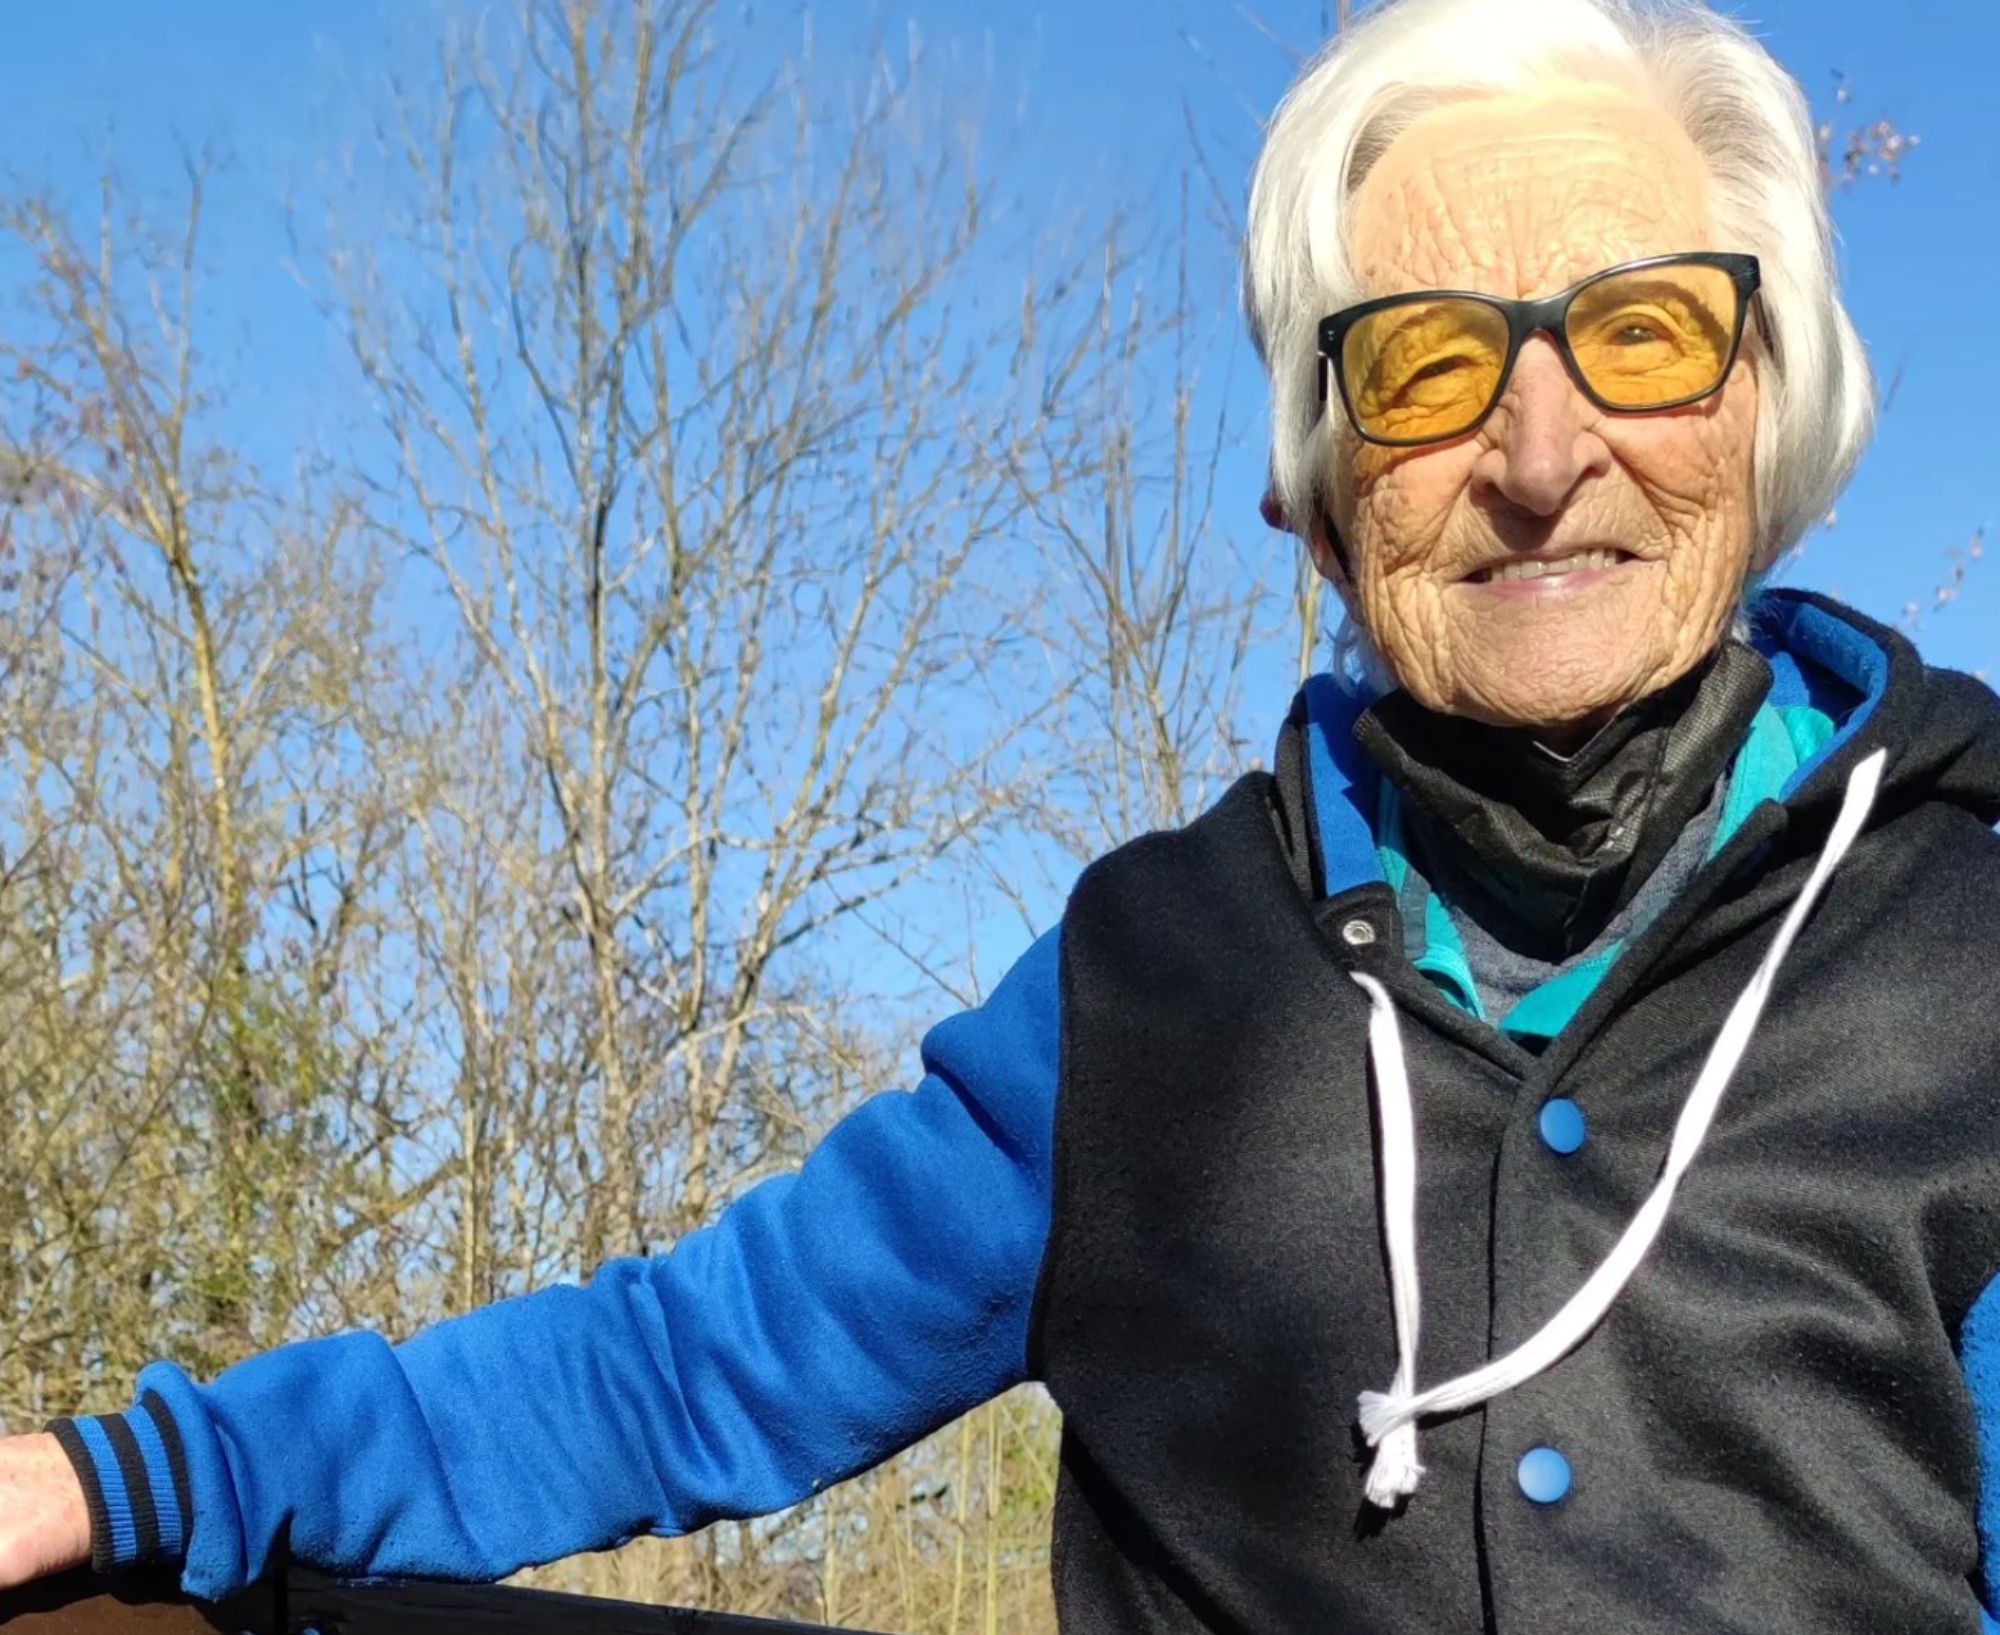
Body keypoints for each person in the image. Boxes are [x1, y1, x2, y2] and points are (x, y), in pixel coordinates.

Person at [5, 0, 1999, 1628]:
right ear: (1313, 498)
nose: (1541, 449)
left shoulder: (1959, 955)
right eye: (1426, 364)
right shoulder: (1147, 986)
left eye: (1637, 333)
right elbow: (689, 1362)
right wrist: (146, 1471)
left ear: (1763, 419)